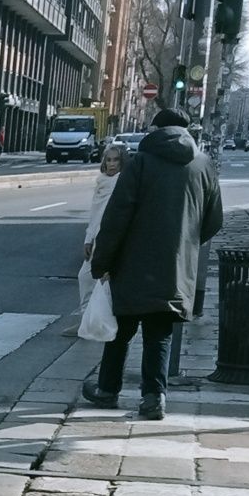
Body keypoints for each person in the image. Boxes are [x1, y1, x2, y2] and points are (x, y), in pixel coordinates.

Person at [83, 108, 223, 420]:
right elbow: (214, 220)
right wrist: (185, 243)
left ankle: (108, 390)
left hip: (132, 264)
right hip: (174, 268)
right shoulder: (203, 164)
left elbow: (117, 216)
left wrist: (101, 262)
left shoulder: (141, 162)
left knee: (120, 332)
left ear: (156, 129)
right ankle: (153, 398)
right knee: (159, 333)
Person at [67, 144, 125, 336]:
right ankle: (86, 321)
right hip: (96, 237)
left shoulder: (122, 183)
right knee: (85, 277)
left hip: (111, 239)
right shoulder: (101, 182)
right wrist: (88, 239)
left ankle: (103, 323)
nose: (112, 164)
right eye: (108, 160)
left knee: (104, 282)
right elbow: (95, 214)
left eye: (116, 160)